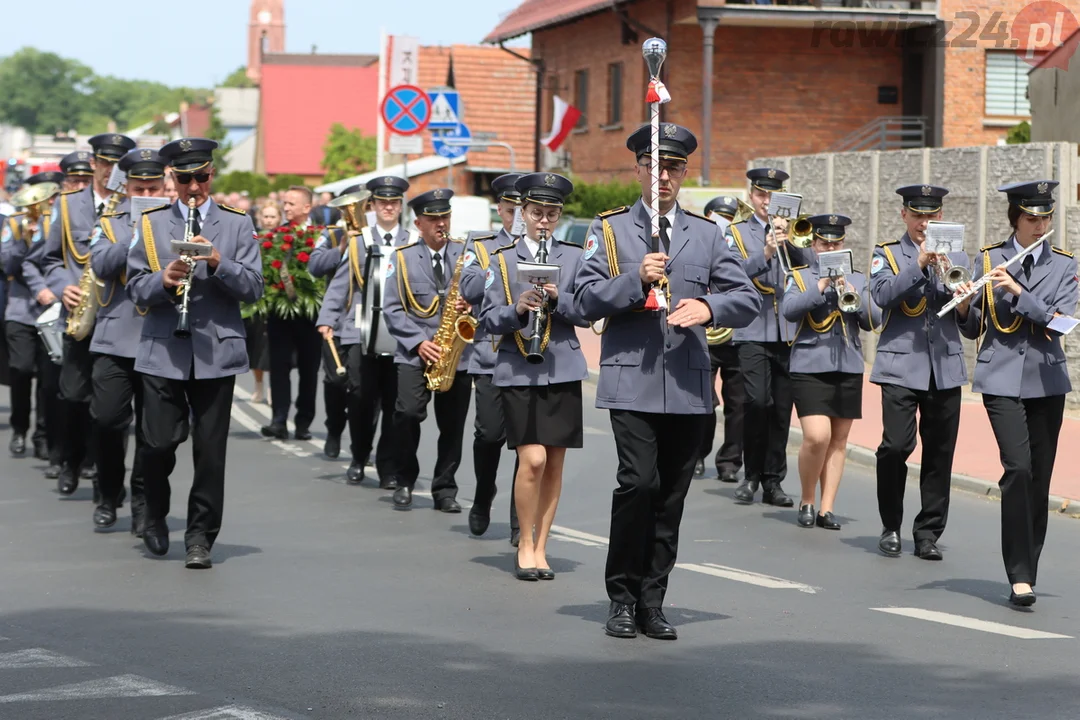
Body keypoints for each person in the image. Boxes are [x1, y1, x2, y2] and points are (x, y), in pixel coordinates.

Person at [574, 123, 759, 640]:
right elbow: (581, 298)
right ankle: (621, 598)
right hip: (631, 377)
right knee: (638, 483)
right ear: (638, 168)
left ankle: (652, 600)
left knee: (671, 494)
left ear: (684, 173)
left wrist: (708, 305)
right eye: (654, 165)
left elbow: (745, 298)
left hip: (686, 380)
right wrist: (632, 278)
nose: (664, 176)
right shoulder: (609, 229)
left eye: (674, 167)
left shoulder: (706, 233)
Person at [125, 137, 263, 568]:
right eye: (184, 179)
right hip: (163, 347)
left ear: (211, 175)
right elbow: (134, 288)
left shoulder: (238, 223)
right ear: (173, 180)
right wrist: (164, 279)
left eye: (200, 177)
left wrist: (220, 262)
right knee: (158, 443)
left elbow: (255, 287)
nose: (193, 187)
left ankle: (201, 536)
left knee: (209, 451)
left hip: (215, 350)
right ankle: (153, 514)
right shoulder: (150, 223)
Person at [958, 180, 1077, 608]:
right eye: (1032, 218)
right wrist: (960, 306)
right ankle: (1018, 575)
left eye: (1045, 217)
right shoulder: (988, 258)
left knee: (1040, 478)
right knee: (1018, 470)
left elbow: (1061, 323)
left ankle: (1029, 567)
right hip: (1000, 379)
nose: (1040, 224)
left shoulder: (1065, 264)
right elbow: (974, 328)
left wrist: (1018, 292)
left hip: (1046, 380)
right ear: (1016, 219)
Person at [480, 172, 586, 580]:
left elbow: (587, 311)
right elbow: (489, 319)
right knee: (534, 460)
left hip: (562, 365)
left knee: (555, 464)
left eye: (552, 213)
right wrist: (517, 309)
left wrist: (562, 300)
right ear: (521, 212)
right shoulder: (501, 259)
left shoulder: (574, 257)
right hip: (518, 366)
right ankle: (524, 541)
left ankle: (542, 547)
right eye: (537, 212)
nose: (544, 220)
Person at [869, 185, 970, 559]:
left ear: (940, 216)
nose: (924, 223)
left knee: (941, 452)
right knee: (895, 447)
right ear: (904, 216)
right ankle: (890, 524)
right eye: (917, 215)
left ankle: (927, 532)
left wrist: (964, 301)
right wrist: (921, 264)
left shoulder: (959, 255)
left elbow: (969, 321)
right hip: (899, 366)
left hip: (944, 366)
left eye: (931, 216)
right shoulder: (888, 254)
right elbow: (881, 297)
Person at [38, 133, 135, 497]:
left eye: (118, 164)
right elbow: (50, 258)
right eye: (105, 163)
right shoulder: (66, 204)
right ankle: (70, 461)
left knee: (111, 407)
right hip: (79, 312)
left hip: (120, 312)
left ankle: (104, 473)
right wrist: (62, 284)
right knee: (74, 396)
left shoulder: (134, 204)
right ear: (94, 163)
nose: (111, 170)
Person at [87, 148, 167, 534]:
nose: (146, 195)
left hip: (159, 340)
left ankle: (142, 503)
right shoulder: (111, 221)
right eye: (140, 188)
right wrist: (137, 236)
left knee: (153, 434)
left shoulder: (176, 222)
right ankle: (106, 492)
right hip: (116, 337)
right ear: (127, 187)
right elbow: (100, 265)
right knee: (106, 419)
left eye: (153, 188)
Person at [315, 175, 414, 486]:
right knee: (360, 396)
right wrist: (327, 317)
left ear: (400, 206)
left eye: (393, 203)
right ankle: (359, 454)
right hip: (360, 330)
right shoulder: (359, 241)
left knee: (393, 402)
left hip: (399, 335)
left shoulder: (412, 241)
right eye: (382, 202)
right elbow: (341, 283)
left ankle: (387, 468)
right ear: (373, 206)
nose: (388, 207)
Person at [781, 214, 876, 530]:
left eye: (836, 243)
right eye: (825, 243)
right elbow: (790, 310)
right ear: (815, 244)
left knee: (838, 440)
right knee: (816, 437)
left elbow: (871, 321)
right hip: (809, 364)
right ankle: (807, 499)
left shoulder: (858, 278)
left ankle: (826, 508)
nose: (830, 247)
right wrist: (821, 286)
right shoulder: (800, 276)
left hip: (847, 364)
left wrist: (852, 292)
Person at [382, 188, 473, 512]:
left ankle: (445, 488)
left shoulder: (465, 253)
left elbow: (484, 297)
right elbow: (392, 309)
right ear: (418, 223)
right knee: (406, 414)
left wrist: (470, 303)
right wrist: (419, 342)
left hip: (455, 354)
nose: (440, 224)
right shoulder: (402, 257)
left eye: (444, 217)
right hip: (415, 351)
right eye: (433, 219)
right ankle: (405, 479)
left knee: (453, 425)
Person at [726, 167, 807, 508]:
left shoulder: (795, 231)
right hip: (752, 328)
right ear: (751, 196)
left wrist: (791, 243)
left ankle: (774, 481)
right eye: (761, 195)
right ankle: (751, 474)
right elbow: (730, 273)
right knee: (757, 402)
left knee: (781, 409)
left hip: (787, 330)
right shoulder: (737, 232)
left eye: (773, 196)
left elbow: (810, 267)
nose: (766, 202)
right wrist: (768, 253)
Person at [459, 173, 522, 542]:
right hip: (490, 354)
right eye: (510, 209)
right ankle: (484, 495)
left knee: (526, 443)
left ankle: (519, 519)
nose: (516, 217)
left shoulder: (542, 247)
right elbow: (467, 287)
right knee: (489, 434)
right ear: (500, 210)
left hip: (531, 355)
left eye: (521, 210)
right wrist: (500, 266)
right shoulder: (481, 245)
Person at [2, 173, 61, 464]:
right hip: (20, 309)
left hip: (52, 310)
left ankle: (43, 436)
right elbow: (7, 264)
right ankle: (19, 429)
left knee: (49, 381)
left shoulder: (60, 223)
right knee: (21, 369)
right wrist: (25, 238)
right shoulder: (14, 223)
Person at [261, 185, 322, 441]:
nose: (285, 208)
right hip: (281, 312)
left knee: (309, 369)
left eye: (291, 204)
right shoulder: (275, 236)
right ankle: (278, 419)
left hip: (310, 315)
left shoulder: (320, 237)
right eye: (284, 204)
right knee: (279, 366)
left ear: (307, 208)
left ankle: (303, 421)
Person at [696, 195, 746, 482]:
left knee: (738, 403)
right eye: (720, 217)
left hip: (735, 336)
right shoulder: (699, 242)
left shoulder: (739, 245)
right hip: (706, 334)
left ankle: (729, 462)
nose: (726, 223)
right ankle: (698, 455)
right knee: (704, 401)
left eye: (731, 218)